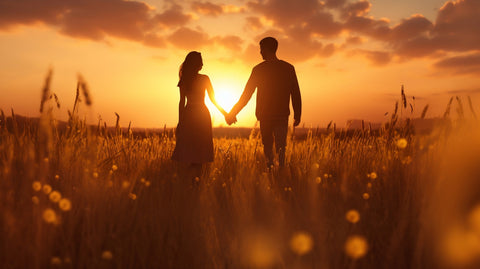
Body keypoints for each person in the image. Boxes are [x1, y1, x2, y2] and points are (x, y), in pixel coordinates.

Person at [226, 37, 302, 167]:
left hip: (266, 116)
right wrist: (297, 114)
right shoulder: (288, 68)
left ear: (266, 49)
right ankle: (280, 175)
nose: (260, 52)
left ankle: (271, 172)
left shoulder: (258, 70)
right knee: (281, 148)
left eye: (261, 49)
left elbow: (246, 95)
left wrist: (232, 113)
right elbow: (295, 93)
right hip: (281, 115)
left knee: (268, 150)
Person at [171, 51, 228, 177]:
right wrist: (225, 114)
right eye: (200, 61)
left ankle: (191, 178)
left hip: (189, 113)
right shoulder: (205, 78)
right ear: (196, 63)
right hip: (202, 114)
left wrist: (181, 121)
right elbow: (213, 99)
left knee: (190, 149)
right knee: (200, 149)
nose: (202, 63)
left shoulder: (184, 80)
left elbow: (181, 102)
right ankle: (196, 179)